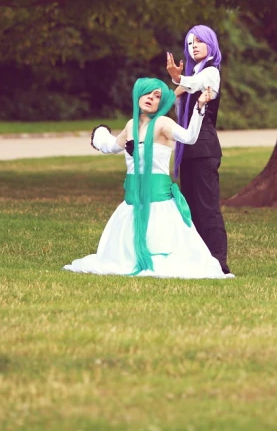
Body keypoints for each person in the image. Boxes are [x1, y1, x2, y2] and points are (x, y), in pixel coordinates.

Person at [63, 77, 230, 279]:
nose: (151, 97)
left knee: (163, 254)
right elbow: (112, 146)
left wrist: (200, 106)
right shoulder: (131, 125)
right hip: (133, 203)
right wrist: (100, 135)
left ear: (162, 103)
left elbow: (189, 137)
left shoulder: (162, 123)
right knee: (118, 258)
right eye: (147, 93)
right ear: (138, 95)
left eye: (157, 96)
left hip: (159, 205)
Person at [166, 25, 231, 275]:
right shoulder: (195, 74)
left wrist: (178, 79)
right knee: (190, 207)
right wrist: (178, 90)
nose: (193, 46)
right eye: (190, 43)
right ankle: (197, 258)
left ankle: (218, 261)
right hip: (189, 149)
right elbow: (180, 102)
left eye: (198, 42)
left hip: (204, 149)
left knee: (207, 207)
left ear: (210, 44)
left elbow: (193, 84)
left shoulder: (210, 72)